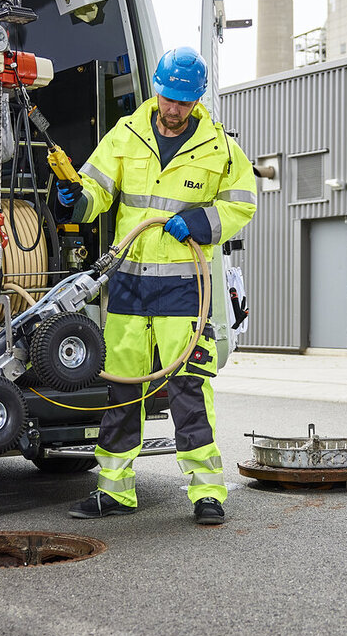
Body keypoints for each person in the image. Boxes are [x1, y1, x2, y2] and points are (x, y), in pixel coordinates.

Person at [52, 46, 257, 524]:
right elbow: (94, 190)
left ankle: (207, 494)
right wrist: (73, 201)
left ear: (196, 99)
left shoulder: (219, 148)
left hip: (185, 291)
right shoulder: (126, 135)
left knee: (189, 388)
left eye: (183, 102)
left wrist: (202, 223)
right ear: (157, 91)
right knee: (123, 390)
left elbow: (243, 202)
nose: (173, 109)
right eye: (168, 98)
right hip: (128, 287)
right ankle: (114, 491)